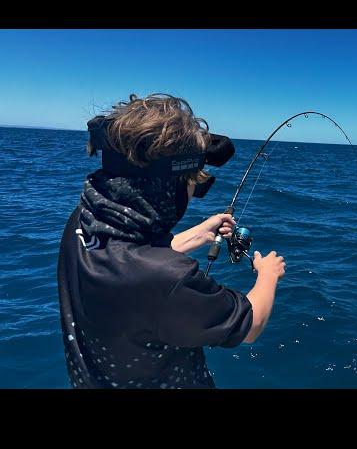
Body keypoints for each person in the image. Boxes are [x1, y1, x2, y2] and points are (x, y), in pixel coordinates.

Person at [56, 93, 285, 389]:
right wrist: (269, 274)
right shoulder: (167, 279)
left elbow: (126, 264)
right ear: (167, 187)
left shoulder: (82, 221)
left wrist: (196, 234)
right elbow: (250, 326)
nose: (193, 194)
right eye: (194, 185)